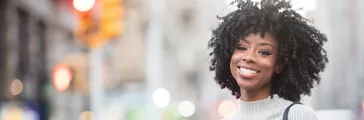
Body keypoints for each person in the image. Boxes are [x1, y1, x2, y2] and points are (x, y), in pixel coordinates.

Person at [208, 0, 328, 120]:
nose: (249, 57)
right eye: (241, 48)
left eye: (264, 52)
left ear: (279, 65)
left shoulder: (297, 115)